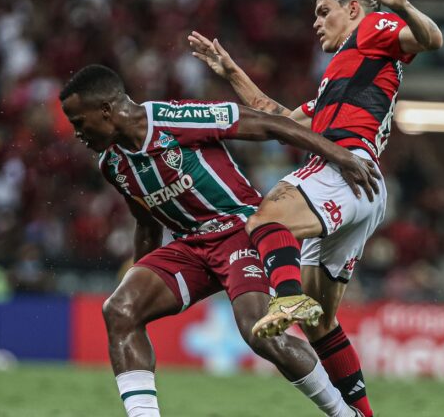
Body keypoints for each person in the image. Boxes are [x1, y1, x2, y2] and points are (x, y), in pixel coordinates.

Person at [60, 64, 381, 417]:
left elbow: (269, 123)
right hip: (190, 247)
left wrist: (340, 155)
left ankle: (343, 414)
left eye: (79, 122)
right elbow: (146, 223)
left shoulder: (176, 119)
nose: (77, 133)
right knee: (120, 310)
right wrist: (139, 277)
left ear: (106, 110)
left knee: (260, 333)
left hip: (239, 231)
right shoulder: (113, 164)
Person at [188, 0, 442, 415]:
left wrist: (402, 6)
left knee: (266, 219)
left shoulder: (374, 28)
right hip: (360, 184)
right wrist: (232, 73)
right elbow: (281, 120)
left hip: (344, 167)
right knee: (322, 323)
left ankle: (286, 296)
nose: (316, 22)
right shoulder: (341, 77)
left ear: (355, 11)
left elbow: (430, 39)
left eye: (325, 12)